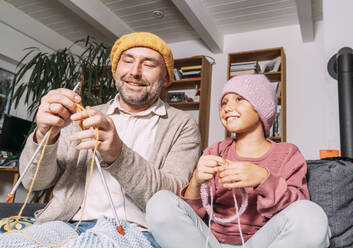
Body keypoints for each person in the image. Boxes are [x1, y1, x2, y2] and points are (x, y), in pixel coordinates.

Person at [0, 32, 201, 247]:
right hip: (64, 225)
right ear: (116, 69)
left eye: (149, 64)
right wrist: (45, 134)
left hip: (135, 232)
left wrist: (118, 154)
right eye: (128, 61)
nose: (135, 71)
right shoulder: (83, 115)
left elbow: (173, 199)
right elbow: (35, 182)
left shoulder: (182, 125)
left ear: (166, 78)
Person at [146, 74, 331, 248]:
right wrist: (196, 181)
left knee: (311, 216)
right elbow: (191, 218)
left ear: (261, 107)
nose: (227, 107)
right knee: (159, 202)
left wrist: (264, 179)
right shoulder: (216, 151)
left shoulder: (288, 153)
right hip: (210, 242)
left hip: (264, 242)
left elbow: (298, 208)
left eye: (239, 99)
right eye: (224, 102)